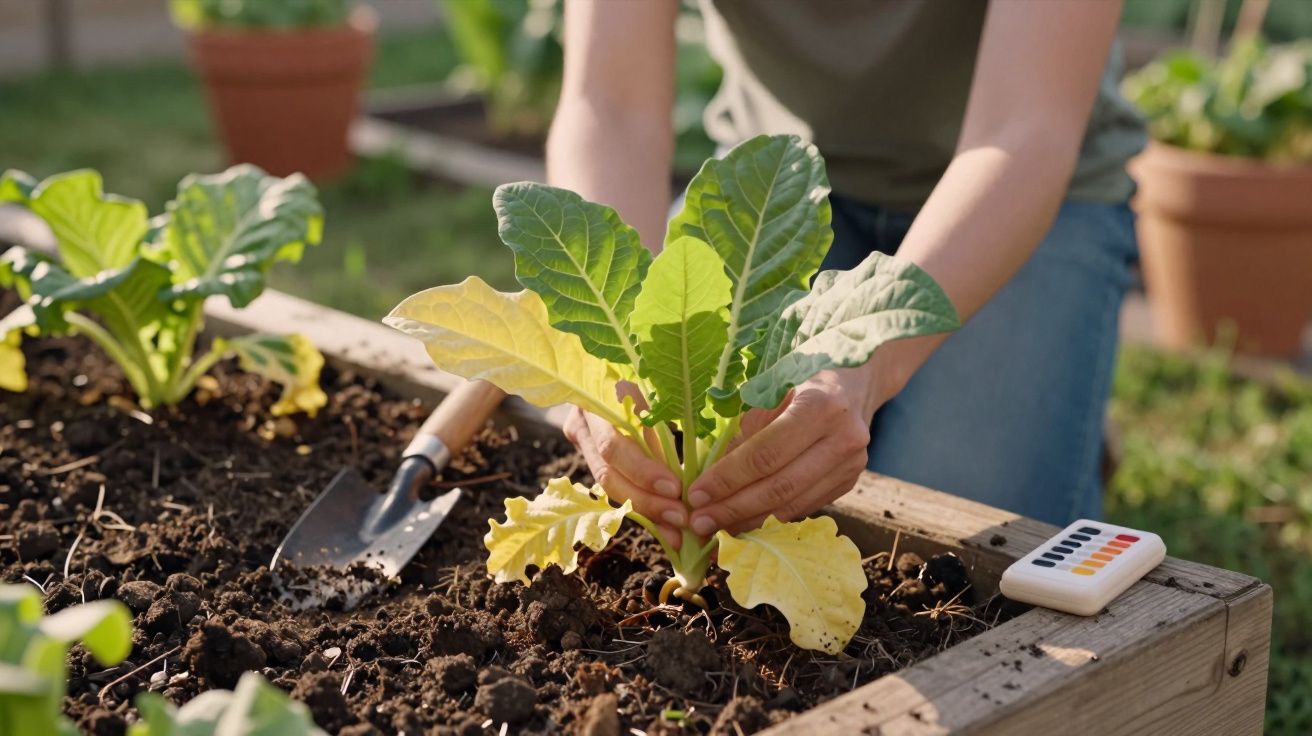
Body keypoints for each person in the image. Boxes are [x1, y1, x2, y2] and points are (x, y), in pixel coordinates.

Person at [549, 0, 1145, 544]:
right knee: (719, 451)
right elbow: (610, 104)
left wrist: (870, 357)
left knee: (950, 529)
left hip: (1018, 198)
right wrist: (614, 342)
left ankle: (1050, 396)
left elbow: (1025, 130)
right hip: (774, 200)